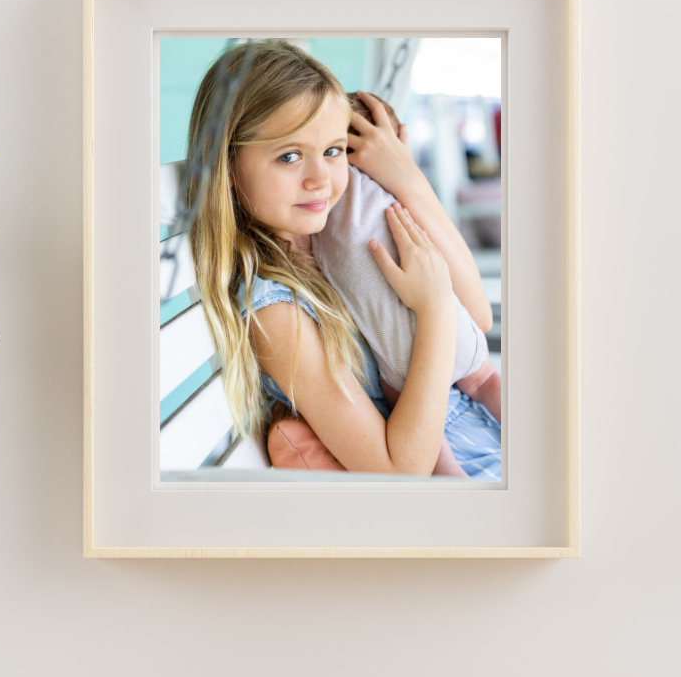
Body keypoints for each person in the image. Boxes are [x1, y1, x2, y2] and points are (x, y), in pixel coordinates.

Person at [186, 39, 500, 479]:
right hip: (460, 475)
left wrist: (408, 179)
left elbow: (481, 317)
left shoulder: (347, 226)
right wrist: (434, 310)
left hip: (487, 436)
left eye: (332, 151)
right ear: (228, 166)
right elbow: (401, 471)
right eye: (289, 156)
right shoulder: (276, 309)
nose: (321, 180)